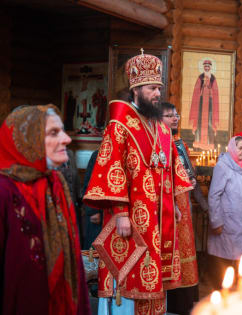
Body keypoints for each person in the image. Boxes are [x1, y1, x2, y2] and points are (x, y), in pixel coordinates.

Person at [83, 51, 192, 314]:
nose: (157, 93)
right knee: (129, 274)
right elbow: (112, 168)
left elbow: (170, 168)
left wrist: (174, 205)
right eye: (152, 88)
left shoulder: (161, 126)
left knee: (156, 279)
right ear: (136, 89)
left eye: (159, 88)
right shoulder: (119, 123)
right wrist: (120, 213)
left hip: (159, 216)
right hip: (131, 217)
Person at [0, 105, 90, 315]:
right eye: (53, 133)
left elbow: (73, 262)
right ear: (27, 141)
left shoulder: (55, 184)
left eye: (63, 131)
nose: (67, 139)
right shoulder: (4, 191)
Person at [160, 102, 199, 315]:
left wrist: (190, 182)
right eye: (169, 115)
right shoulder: (159, 143)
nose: (175, 118)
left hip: (183, 204)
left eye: (176, 115)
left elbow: (186, 172)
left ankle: (184, 302)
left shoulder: (178, 143)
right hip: (170, 207)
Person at [207, 135, 242, 289]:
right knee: (225, 262)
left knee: (240, 260)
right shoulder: (223, 166)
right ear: (232, 148)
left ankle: (236, 295)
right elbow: (214, 195)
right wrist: (216, 221)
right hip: (227, 223)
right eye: (240, 148)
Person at [189, 59, 219, 151]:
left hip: (210, 104)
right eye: (205, 66)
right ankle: (198, 142)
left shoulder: (213, 78)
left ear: (210, 67)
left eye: (208, 66)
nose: (206, 68)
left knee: (209, 121)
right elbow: (196, 91)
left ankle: (209, 143)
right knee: (199, 121)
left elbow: (215, 92)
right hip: (201, 103)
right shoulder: (200, 77)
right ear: (203, 67)